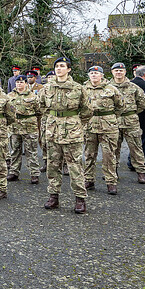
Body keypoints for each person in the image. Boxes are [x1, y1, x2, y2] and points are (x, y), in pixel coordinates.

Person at [41, 57, 92, 214]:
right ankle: (53, 197)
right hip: (53, 131)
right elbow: (41, 106)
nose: (59, 69)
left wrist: (74, 122)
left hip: (71, 132)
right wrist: (53, 120)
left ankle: (80, 199)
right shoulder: (47, 88)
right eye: (57, 66)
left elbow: (87, 110)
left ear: (69, 69)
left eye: (62, 66)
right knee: (52, 165)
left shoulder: (78, 88)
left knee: (75, 166)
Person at [82, 66, 124, 194]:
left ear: (102, 75)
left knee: (109, 155)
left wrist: (109, 117)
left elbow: (120, 106)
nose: (94, 75)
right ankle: (88, 179)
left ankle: (111, 182)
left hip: (108, 127)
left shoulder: (111, 89)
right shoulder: (83, 89)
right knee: (89, 154)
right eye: (91, 73)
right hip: (89, 126)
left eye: (96, 73)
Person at [109, 63, 145, 185]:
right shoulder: (107, 87)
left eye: (121, 70)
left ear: (125, 72)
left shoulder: (134, 87)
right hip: (113, 121)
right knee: (112, 148)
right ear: (112, 72)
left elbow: (142, 103)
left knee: (136, 147)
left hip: (130, 121)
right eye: (116, 70)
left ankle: (141, 173)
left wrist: (132, 113)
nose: (118, 73)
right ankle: (112, 173)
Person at [7, 76, 41, 183]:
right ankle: (14, 172)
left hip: (29, 127)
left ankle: (34, 173)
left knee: (31, 151)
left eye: (21, 82)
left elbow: (39, 111)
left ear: (26, 83)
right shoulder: (9, 96)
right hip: (15, 127)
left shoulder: (33, 96)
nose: (19, 84)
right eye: (17, 82)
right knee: (14, 151)